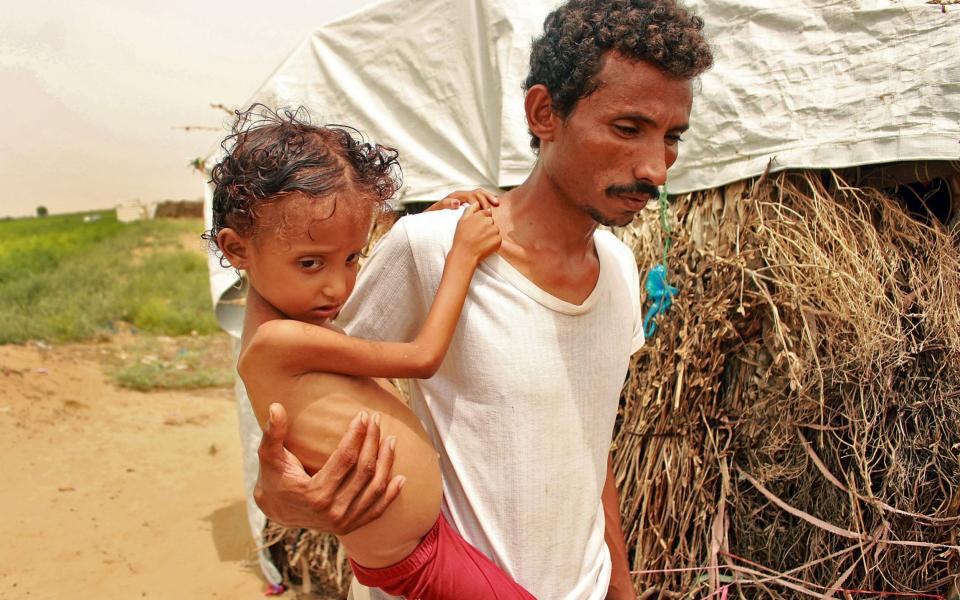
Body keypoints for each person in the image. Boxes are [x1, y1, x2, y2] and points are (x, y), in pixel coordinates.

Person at [255, 1, 714, 597]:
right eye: (627, 129)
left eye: (672, 137)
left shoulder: (623, 271)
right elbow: (298, 389)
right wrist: (279, 493)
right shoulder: (431, 250)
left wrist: (619, 588)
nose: (656, 168)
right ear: (544, 113)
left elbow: (588, 447)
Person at [205, 107, 535, 598]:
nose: (338, 284)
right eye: (311, 262)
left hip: (431, 542)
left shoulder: (299, 319)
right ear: (236, 251)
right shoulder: (279, 342)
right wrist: (461, 255)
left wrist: (430, 221)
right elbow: (422, 357)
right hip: (414, 561)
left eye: (352, 257)